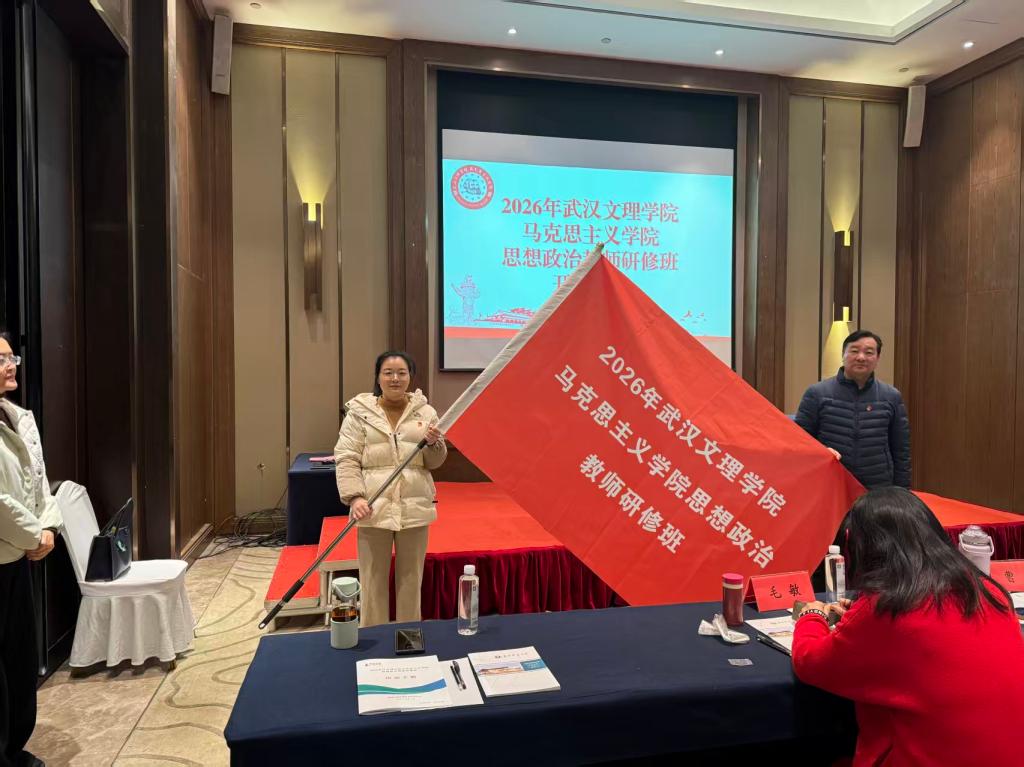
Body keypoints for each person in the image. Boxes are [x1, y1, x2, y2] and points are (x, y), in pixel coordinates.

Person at [792, 488, 1024, 767]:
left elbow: (811, 663)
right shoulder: (989, 591)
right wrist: (858, 616)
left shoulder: (888, 606)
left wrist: (812, 614)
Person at [334, 351, 446, 627]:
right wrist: (355, 497)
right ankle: (375, 638)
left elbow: (434, 462)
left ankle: (408, 637)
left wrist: (434, 444)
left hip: (414, 506)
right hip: (372, 508)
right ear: (378, 377)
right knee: (372, 581)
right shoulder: (359, 413)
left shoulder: (426, 413)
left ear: (410, 377)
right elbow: (346, 457)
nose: (395, 378)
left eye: (401, 373)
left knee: (411, 580)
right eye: (388, 372)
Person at [0, 333, 62, 767]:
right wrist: (33, 534)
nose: (11, 365)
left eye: (12, 357)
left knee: (19, 659)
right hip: (8, 552)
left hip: (17, 557)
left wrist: (49, 526)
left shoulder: (18, 416)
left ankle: (14, 750)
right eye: (2, 359)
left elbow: (38, 480)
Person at [795, 330, 910, 489]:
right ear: (843, 355)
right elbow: (799, 439)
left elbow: (901, 450)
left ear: (877, 358)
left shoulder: (891, 396)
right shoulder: (817, 393)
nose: (861, 357)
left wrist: (902, 492)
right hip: (830, 482)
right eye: (854, 351)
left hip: (877, 485)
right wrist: (821, 451)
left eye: (869, 352)